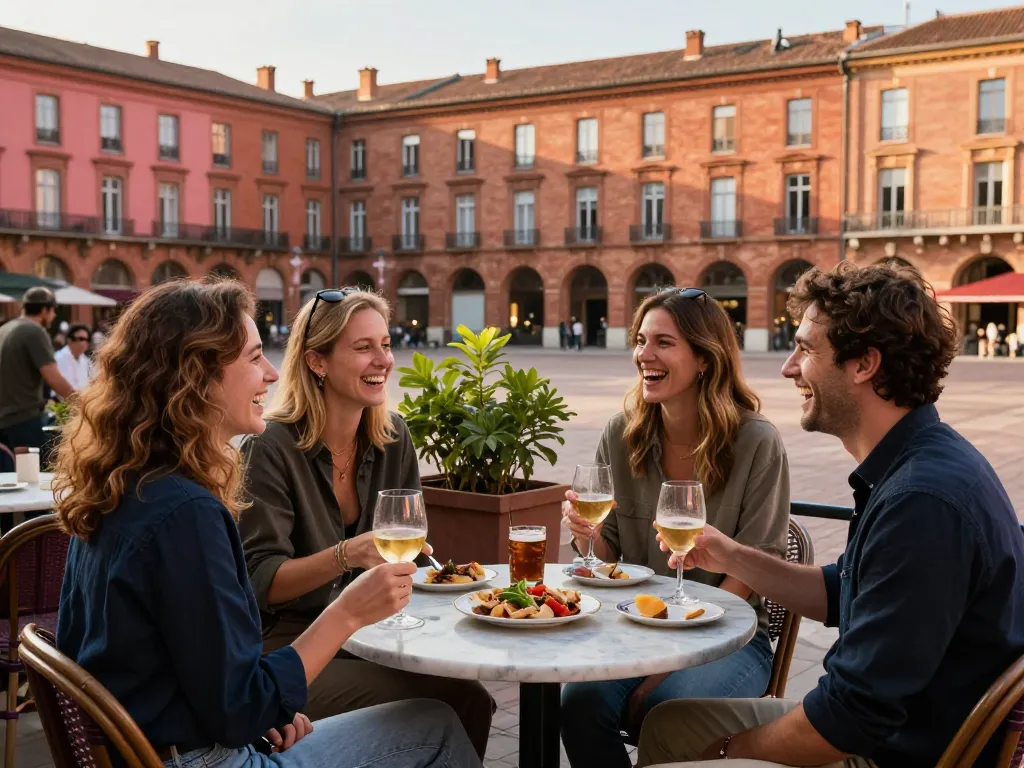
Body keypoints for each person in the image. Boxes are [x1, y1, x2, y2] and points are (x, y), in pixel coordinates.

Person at [54, 279, 481, 768]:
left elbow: (217, 684)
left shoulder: (128, 484)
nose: (272, 372)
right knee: (437, 724)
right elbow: (240, 709)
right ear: (198, 374)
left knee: (447, 703)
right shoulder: (185, 513)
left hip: (171, 737)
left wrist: (264, 706)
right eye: (255, 358)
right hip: (200, 758)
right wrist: (346, 612)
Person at [637, 262, 1024, 768]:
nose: (788, 367)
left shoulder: (922, 500)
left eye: (805, 349)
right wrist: (730, 553)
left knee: (694, 750)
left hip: (895, 752)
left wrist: (732, 749)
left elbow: (851, 716)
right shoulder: (916, 462)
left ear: (864, 364)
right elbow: (843, 593)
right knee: (668, 725)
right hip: (887, 728)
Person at [238, 287, 495, 758]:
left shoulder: (393, 437)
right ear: (317, 361)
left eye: (386, 344)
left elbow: (413, 549)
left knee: (471, 695)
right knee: (452, 701)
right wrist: (346, 554)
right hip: (289, 647)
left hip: (370, 634)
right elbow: (259, 582)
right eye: (363, 348)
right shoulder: (270, 447)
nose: (384, 360)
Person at [559, 286, 790, 768]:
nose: (645, 354)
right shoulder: (620, 435)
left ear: (705, 358)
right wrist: (586, 533)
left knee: (669, 708)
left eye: (663, 342)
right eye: (641, 340)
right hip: (635, 627)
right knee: (577, 702)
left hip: (730, 637)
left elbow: (755, 568)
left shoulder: (756, 442)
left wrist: (664, 669)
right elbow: (609, 560)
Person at [0, 287, 74, 470]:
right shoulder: (34, 331)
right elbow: (54, 378)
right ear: (44, 310)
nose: (54, 315)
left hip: (5, 419)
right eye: (53, 310)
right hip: (24, 420)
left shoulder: (5, 328)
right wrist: (84, 403)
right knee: (34, 481)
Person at [54, 323, 93, 393]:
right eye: (81, 339)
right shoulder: (58, 358)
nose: (85, 342)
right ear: (70, 340)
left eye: (87, 339)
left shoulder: (86, 361)